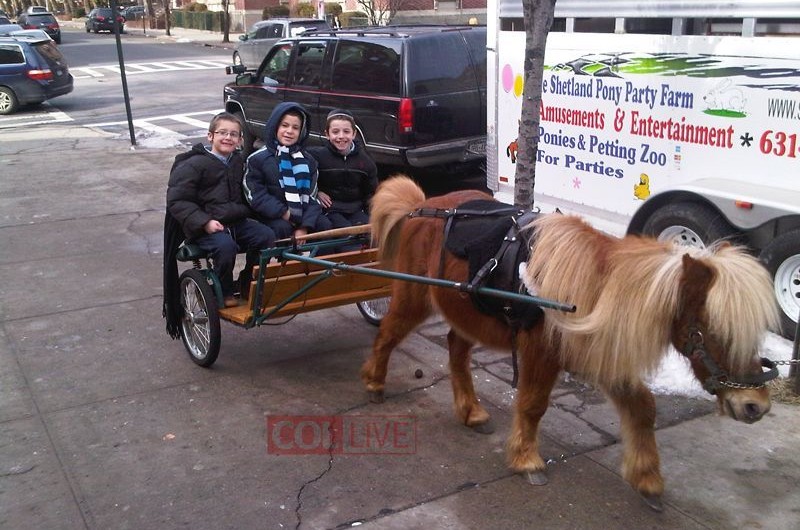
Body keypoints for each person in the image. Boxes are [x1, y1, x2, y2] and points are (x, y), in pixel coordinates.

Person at [165, 112, 275, 310]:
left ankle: (248, 279)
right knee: (226, 248)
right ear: (210, 136)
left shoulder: (239, 162)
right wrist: (204, 222)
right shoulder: (193, 164)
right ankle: (224, 291)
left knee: (266, 236)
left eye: (234, 134)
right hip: (204, 228)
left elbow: (250, 192)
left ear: (240, 140)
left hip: (236, 222)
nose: (228, 138)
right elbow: (178, 200)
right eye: (222, 133)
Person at [244, 102, 331, 239]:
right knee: (282, 228)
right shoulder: (257, 159)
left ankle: (317, 260)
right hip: (271, 215)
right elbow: (256, 196)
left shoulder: (309, 161)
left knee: (324, 225)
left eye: (295, 128)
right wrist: (285, 213)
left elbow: (312, 196)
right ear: (275, 127)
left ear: (301, 132)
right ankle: (280, 260)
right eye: (284, 125)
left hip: (301, 214)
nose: (289, 131)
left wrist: (304, 226)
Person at [308, 109, 378, 229]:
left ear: (354, 134)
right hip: (330, 209)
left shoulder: (366, 161)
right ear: (327, 134)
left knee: (369, 232)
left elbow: (370, 193)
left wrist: (372, 216)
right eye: (335, 132)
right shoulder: (316, 156)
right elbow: (303, 178)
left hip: (356, 209)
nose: (341, 136)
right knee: (344, 232)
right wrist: (317, 192)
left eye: (346, 131)